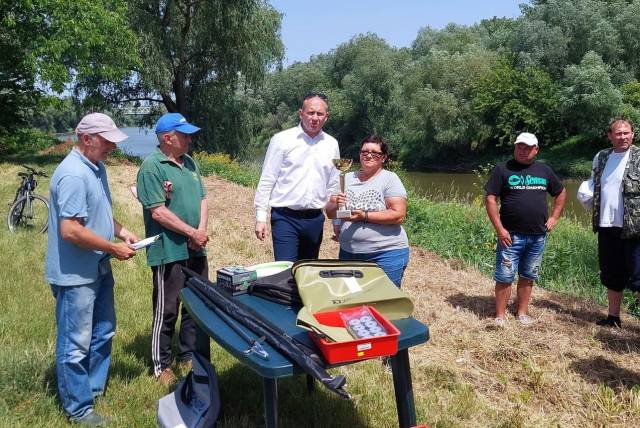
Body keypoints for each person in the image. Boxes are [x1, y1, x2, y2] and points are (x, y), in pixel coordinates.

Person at [45, 113, 138, 426]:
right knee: (75, 344)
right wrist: (112, 247)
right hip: (76, 277)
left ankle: (93, 389)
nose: (112, 145)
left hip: (96, 267)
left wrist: (121, 232)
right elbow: (70, 230)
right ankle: (79, 409)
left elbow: (99, 212)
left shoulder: (95, 167)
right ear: (87, 139)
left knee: (103, 331)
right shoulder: (72, 174)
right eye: (107, 140)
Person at [136, 113, 209, 385]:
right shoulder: (151, 167)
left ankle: (188, 353)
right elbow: (158, 213)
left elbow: (203, 198)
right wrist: (191, 233)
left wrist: (199, 232)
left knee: (197, 305)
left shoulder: (190, 163)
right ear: (167, 138)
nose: (189, 138)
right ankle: (161, 365)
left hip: (196, 248)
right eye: (184, 134)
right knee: (167, 309)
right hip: (169, 250)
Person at [485, 132, 566, 326]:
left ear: (536, 150)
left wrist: (554, 217)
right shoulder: (502, 169)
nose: (523, 150)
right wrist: (500, 229)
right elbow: (490, 199)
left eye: (528, 147)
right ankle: (500, 316)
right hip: (509, 236)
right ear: (515, 147)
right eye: (519, 146)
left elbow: (561, 192)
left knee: (528, 275)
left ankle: (522, 313)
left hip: (538, 236)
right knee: (504, 276)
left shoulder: (544, 170)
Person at [254, 92, 340, 261]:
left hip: (315, 219)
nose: (314, 118)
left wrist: (337, 222)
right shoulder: (282, 140)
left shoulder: (332, 144)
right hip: (285, 218)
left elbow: (334, 185)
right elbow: (267, 179)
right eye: (310, 113)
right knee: (285, 272)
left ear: (326, 117)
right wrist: (260, 217)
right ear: (301, 113)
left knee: (308, 273)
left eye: (320, 114)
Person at [326, 135, 410, 287]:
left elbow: (398, 215)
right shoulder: (346, 178)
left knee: (384, 302)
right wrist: (337, 205)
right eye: (364, 152)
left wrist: (364, 216)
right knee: (351, 299)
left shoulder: (390, 179)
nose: (369, 155)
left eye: (374, 152)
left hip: (386, 254)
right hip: (349, 253)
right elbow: (330, 213)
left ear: (383, 158)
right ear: (359, 154)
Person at [581, 118, 640, 328]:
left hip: (634, 228)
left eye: (626, 133)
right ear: (610, 135)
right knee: (611, 274)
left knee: (639, 277)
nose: (623, 137)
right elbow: (594, 184)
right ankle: (613, 318)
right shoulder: (601, 157)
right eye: (618, 133)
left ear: (633, 134)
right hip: (606, 225)